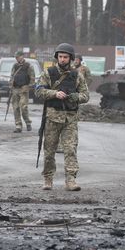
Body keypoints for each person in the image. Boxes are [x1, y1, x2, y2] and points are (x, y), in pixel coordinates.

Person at [36, 43, 88, 191]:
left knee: (71, 149)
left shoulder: (77, 75)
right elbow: (39, 91)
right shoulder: (49, 73)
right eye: (60, 57)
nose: (63, 59)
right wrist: (54, 94)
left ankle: (70, 180)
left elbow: (86, 96)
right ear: (57, 57)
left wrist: (74, 97)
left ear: (70, 58)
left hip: (70, 118)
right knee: (49, 150)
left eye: (66, 57)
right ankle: (48, 179)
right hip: (52, 117)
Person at [10, 51, 34, 133]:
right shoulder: (15, 66)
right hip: (15, 89)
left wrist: (29, 87)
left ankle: (28, 123)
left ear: (22, 56)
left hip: (24, 88)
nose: (17, 59)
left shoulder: (28, 66)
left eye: (18, 57)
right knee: (15, 107)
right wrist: (11, 85)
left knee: (23, 107)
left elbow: (32, 77)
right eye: (16, 57)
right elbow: (12, 76)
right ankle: (18, 125)